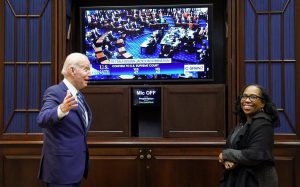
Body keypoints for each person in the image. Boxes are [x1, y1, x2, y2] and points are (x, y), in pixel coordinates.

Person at [37, 52, 92, 187]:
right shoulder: (55, 92)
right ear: (72, 70)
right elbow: (42, 119)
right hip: (60, 171)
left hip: (75, 169)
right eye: (86, 69)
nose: (90, 73)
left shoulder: (79, 96)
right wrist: (61, 109)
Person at [219, 84, 279, 187]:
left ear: (262, 103)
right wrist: (228, 161)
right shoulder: (243, 123)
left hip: (257, 181)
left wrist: (225, 154)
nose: (247, 100)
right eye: (244, 96)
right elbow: (234, 147)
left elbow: (255, 154)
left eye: (253, 97)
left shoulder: (263, 124)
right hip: (238, 178)